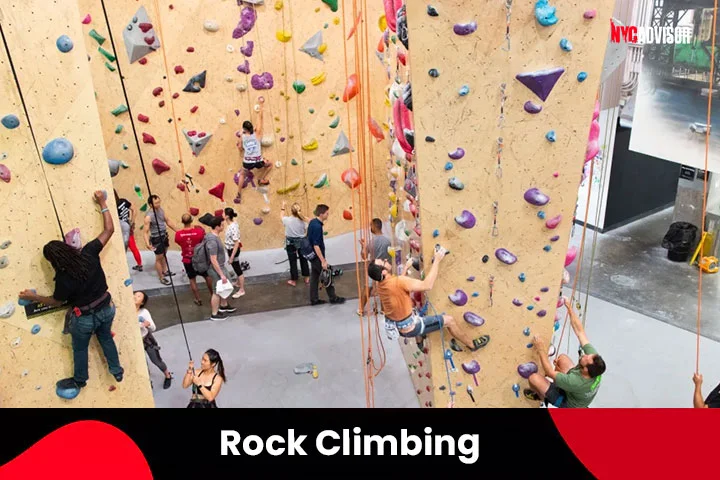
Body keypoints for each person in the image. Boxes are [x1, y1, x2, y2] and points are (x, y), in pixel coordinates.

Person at [19, 190, 123, 397]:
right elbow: (109, 229)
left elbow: (56, 301)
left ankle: (80, 380)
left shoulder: (63, 278)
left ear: (52, 262)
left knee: (80, 349)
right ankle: (117, 372)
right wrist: (102, 202)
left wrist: (33, 297)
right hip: (106, 308)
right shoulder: (89, 253)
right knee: (106, 339)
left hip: (85, 318)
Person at [367, 247, 486, 351]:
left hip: (401, 326)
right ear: (383, 271)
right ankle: (472, 345)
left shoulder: (380, 284)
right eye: (383, 261)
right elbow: (427, 285)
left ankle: (420, 341)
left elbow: (396, 286)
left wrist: (405, 269)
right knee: (449, 320)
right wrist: (437, 260)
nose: (386, 260)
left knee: (417, 312)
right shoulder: (398, 282)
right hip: (412, 327)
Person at [524, 297, 606, 408]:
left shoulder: (576, 381)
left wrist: (541, 348)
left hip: (568, 403)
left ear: (586, 369)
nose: (585, 354)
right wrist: (569, 308)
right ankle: (558, 383)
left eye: (586, 357)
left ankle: (542, 397)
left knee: (533, 379)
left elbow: (549, 370)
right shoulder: (594, 363)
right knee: (562, 359)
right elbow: (580, 332)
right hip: (575, 391)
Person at [234, 98, 273, 204]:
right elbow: (260, 118)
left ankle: (238, 194)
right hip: (258, 161)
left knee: (242, 174)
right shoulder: (258, 134)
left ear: (244, 130)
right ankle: (261, 178)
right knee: (270, 164)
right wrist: (261, 105)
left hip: (247, 162)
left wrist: (240, 140)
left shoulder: (242, 136)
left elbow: (240, 148)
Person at [307, 204, 345, 306]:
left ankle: (314, 299)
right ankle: (333, 298)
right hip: (317, 257)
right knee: (327, 276)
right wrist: (323, 260)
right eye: (327, 213)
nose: (328, 215)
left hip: (313, 256)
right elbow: (316, 245)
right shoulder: (317, 226)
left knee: (314, 278)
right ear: (321, 214)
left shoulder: (312, 222)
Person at [134, 291, 172, 389]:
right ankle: (147, 383)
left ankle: (168, 375)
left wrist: (147, 324)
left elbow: (153, 328)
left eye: (138, 296)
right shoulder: (126, 311)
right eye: (134, 294)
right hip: (134, 342)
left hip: (146, 340)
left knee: (156, 360)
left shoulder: (144, 312)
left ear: (142, 302)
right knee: (141, 363)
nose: (134, 297)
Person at [174, 214, 212, 306]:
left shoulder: (178, 234)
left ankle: (198, 299)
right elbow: (204, 240)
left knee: (192, 279)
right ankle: (213, 294)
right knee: (207, 276)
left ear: (182, 222)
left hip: (188, 260)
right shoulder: (199, 231)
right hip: (200, 259)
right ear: (191, 220)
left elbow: (179, 242)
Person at [204, 216, 237, 321]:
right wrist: (221, 274)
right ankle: (214, 314)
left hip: (220, 266)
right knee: (216, 291)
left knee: (225, 286)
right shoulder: (212, 240)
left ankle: (224, 305)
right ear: (217, 226)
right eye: (222, 225)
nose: (223, 226)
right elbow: (213, 259)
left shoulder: (212, 236)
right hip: (215, 268)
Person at [358, 218, 392, 315]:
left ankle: (360, 309)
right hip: (384, 269)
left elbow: (364, 256)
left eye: (370, 225)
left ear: (374, 226)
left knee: (368, 288)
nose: (370, 228)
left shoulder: (371, 242)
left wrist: (363, 247)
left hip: (373, 269)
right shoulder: (388, 241)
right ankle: (384, 309)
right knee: (384, 287)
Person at [143, 195, 178, 286]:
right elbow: (145, 232)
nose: (158, 204)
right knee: (159, 258)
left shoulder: (161, 210)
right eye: (156, 203)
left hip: (164, 235)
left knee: (164, 255)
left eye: (159, 202)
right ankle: (161, 277)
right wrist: (147, 243)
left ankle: (165, 271)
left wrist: (178, 231)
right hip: (156, 239)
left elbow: (168, 221)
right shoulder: (148, 216)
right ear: (150, 205)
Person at [280, 201, 309, 287]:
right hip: (302, 241)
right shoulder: (303, 221)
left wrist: (283, 206)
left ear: (292, 211)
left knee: (292, 261)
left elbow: (281, 216)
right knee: (303, 260)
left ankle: (294, 280)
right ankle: (307, 277)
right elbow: (306, 230)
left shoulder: (287, 220)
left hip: (290, 243)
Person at [114, 189, 143, 272]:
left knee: (121, 249)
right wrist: (132, 222)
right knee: (133, 247)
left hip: (119, 229)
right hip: (127, 225)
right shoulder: (123, 201)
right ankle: (139, 264)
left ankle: (121, 268)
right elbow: (134, 210)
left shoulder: (113, 207)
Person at [223, 208, 245, 299]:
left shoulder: (233, 227)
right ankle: (237, 282)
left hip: (233, 250)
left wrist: (231, 257)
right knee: (236, 267)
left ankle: (242, 290)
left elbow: (236, 243)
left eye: (223, 213)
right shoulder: (231, 224)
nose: (222, 215)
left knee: (238, 269)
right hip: (230, 249)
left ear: (227, 216)